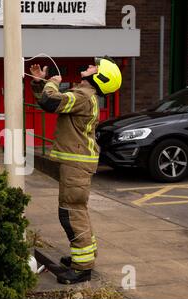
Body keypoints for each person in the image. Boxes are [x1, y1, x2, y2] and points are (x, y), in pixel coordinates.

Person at [30, 57, 122, 284]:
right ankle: (83, 258)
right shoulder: (83, 95)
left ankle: (82, 268)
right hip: (78, 164)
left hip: (78, 165)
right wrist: (39, 84)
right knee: (76, 211)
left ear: (98, 76)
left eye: (94, 66)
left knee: (71, 213)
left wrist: (51, 82)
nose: (90, 66)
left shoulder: (84, 96)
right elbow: (50, 101)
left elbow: (52, 102)